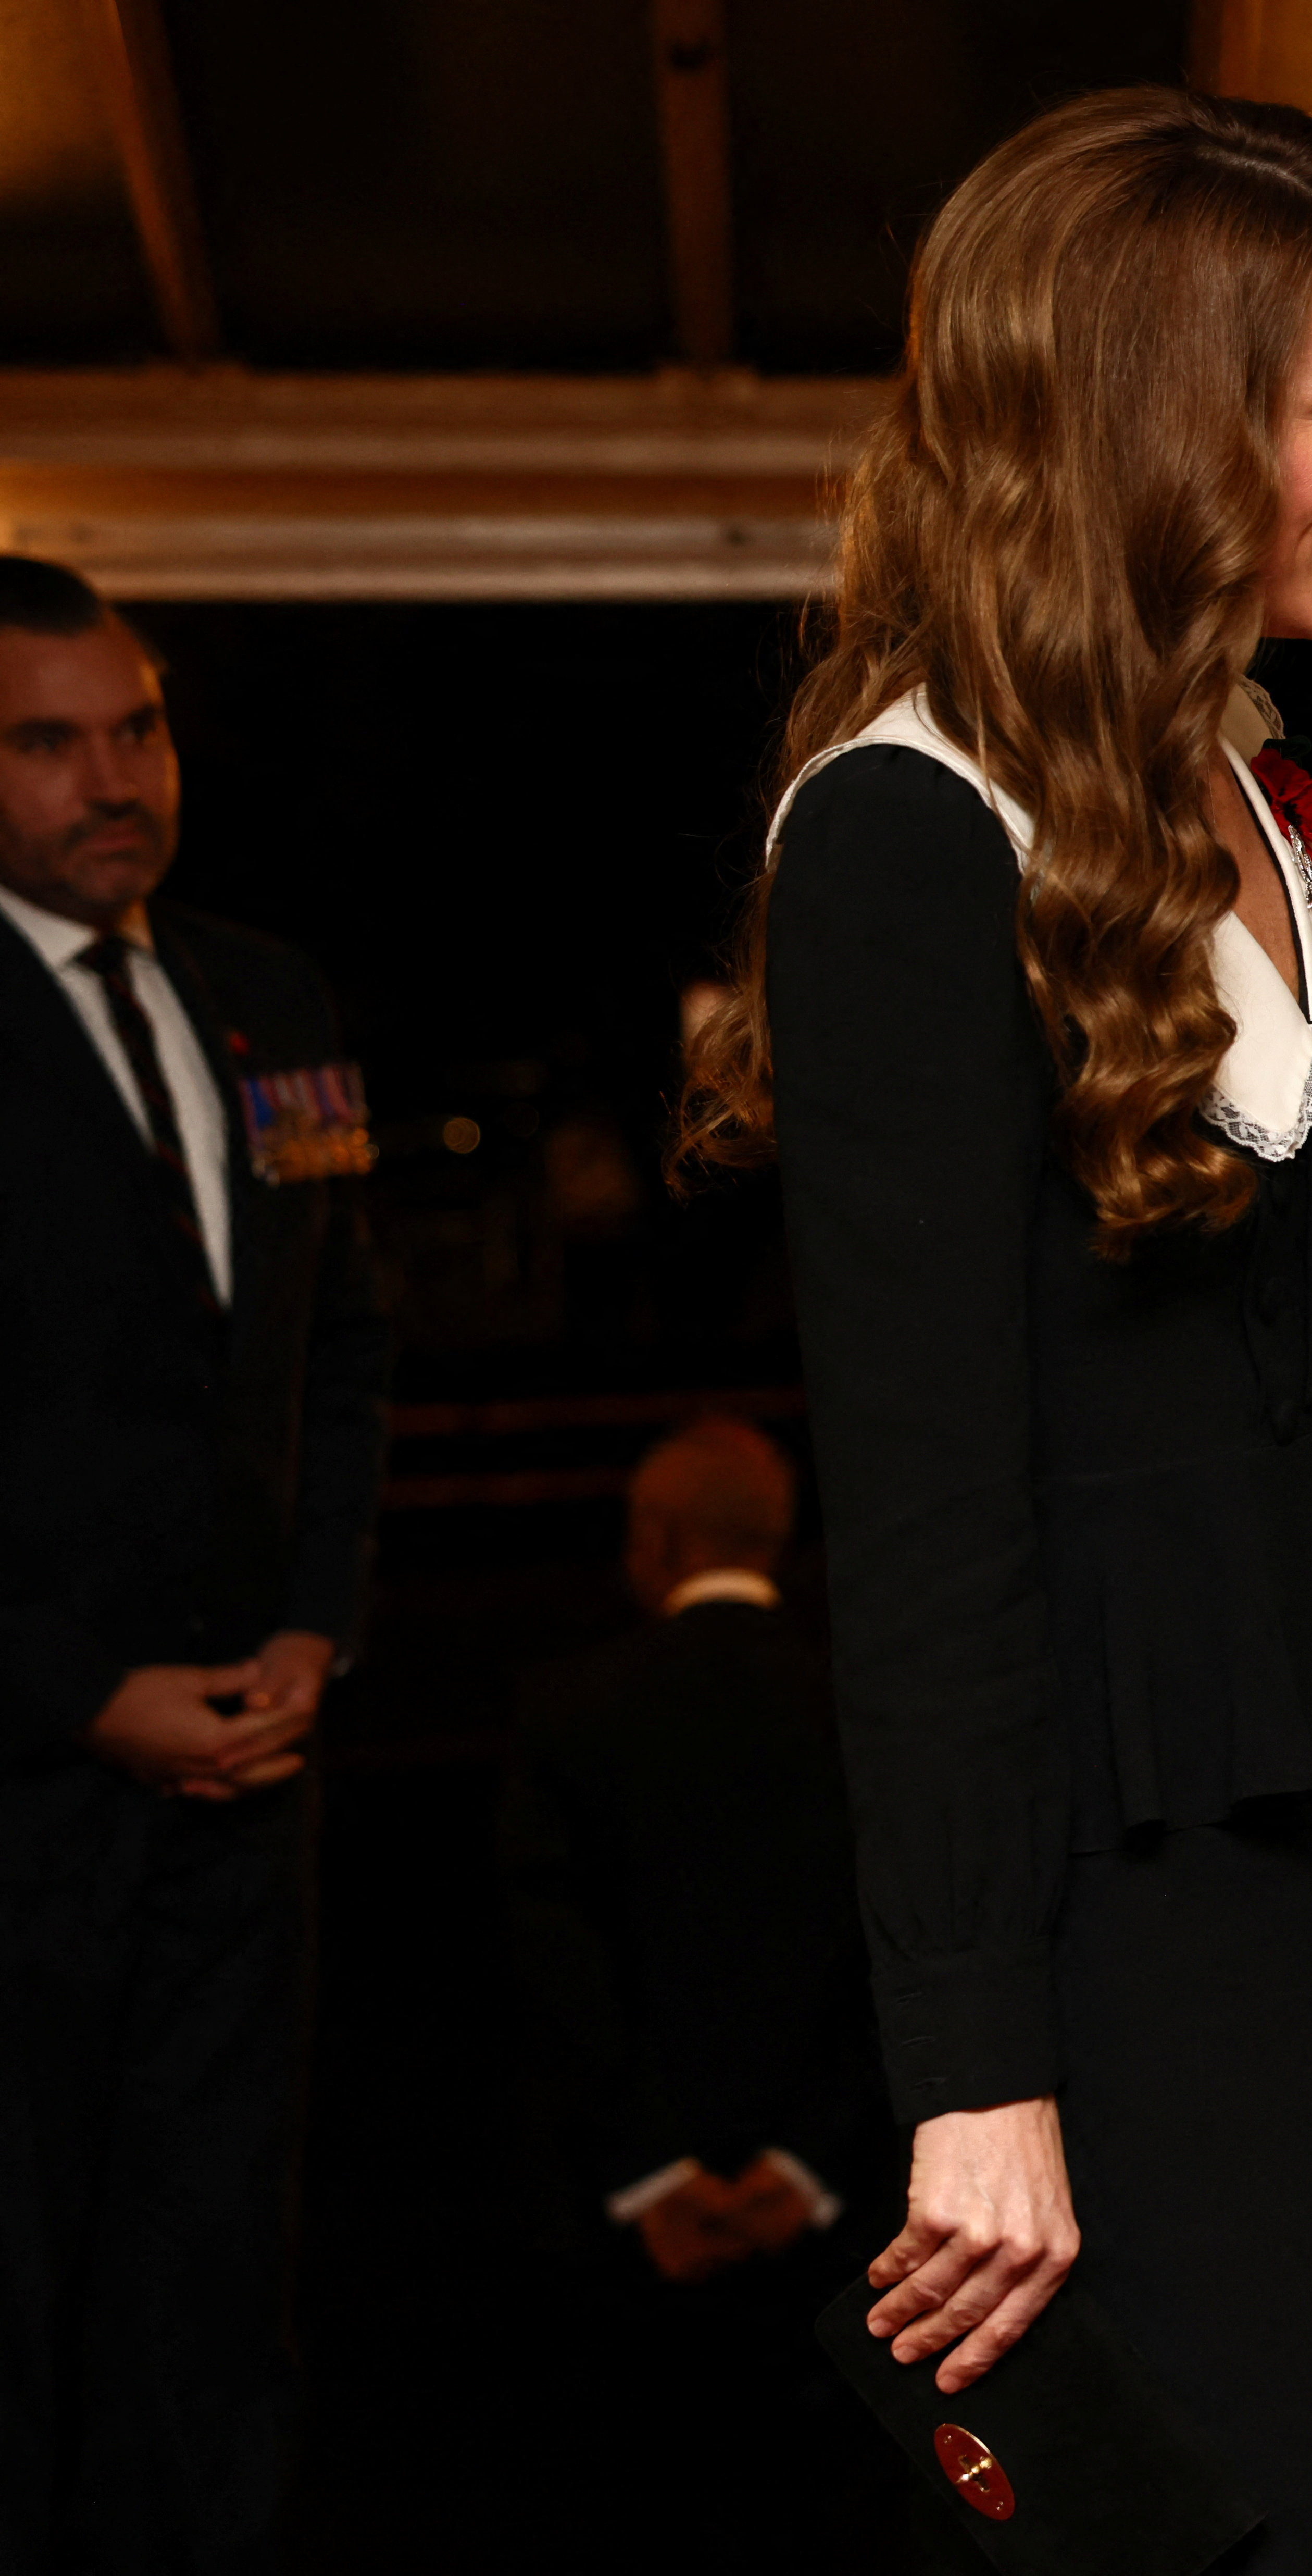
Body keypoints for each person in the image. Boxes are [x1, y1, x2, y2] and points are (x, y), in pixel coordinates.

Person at [671, 89, 1312, 2574]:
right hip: (1114, 1931)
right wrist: (976, 2084)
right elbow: (935, 1528)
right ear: (1166, 430)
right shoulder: (901, 834)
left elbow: (1294, 1417)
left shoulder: (1249, 783)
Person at [0, 554, 390, 2571]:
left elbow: (338, 1351)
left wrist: (318, 1620)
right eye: (47, 743)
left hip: (250, 1795)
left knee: (215, 2312)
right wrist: (77, 1693)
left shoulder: (272, 998)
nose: (109, 778)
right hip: (21, 1799)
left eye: (134, 728)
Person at [501, 1415, 899, 2575]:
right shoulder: (860, 1710)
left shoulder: (569, 1709)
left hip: (622, 2254)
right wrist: (805, 2163)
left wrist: (657, 2168)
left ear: (654, 1536)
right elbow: (900, 1955)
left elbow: (550, 1967)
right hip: (840, 2235)